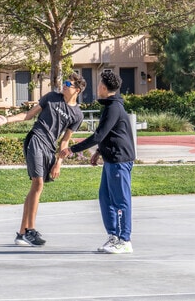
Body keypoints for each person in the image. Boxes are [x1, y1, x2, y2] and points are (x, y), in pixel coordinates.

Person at [0, 73, 86, 247]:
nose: (64, 85)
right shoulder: (51, 97)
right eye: (64, 82)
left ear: (77, 90)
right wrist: (6, 120)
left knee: (35, 187)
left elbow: (65, 140)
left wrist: (59, 162)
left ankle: (22, 233)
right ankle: (31, 231)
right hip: (35, 138)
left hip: (49, 147)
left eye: (68, 84)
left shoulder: (77, 114)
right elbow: (28, 115)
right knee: (38, 183)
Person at [58, 70, 135, 254]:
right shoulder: (111, 106)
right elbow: (108, 134)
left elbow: (98, 135)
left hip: (119, 160)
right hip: (111, 159)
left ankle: (125, 240)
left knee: (121, 200)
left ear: (102, 87)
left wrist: (72, 149)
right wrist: (99, 152)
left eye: (99, 83)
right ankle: (113, 237)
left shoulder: (114, 108)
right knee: (105, 198)